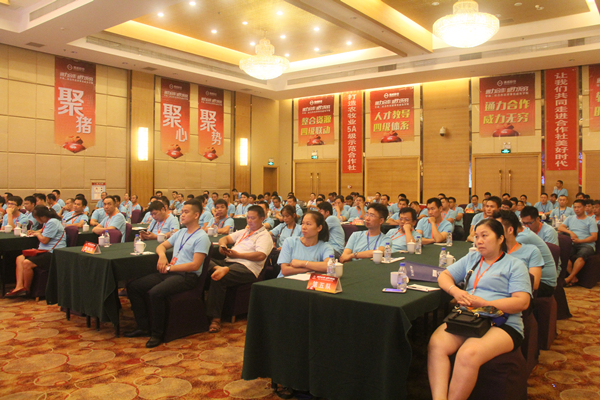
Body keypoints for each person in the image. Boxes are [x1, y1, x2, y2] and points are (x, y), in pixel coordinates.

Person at [428, 219, 531, 400]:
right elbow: (444, 275)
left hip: (503, 322)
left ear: (500, 238)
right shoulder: (473, 258)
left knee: (468, 353)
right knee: (436, 345)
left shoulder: (515, 265)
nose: (479, 241)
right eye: (476, 236)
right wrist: (456, 291)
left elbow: (522, 302)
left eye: (484, 236)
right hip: (470, 317)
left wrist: (485, 303)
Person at [125, 198, 209, 348]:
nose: (182, 215)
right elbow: (161, 246)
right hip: (171, 272)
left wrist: (170, 268)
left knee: (155, 293)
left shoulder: (202, 237)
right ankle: (143, 326)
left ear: (196, 215)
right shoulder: (181, 232)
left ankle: (157, 333)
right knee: (134, 286)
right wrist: (162, 256)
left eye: (186, 212)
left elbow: (195, 265)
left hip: (187, 276)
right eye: (182, 212)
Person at [208, 205, 274, 333]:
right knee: (204, 262)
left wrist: (238, 255)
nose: (249, 221)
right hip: (229, 262)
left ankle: (215, 319)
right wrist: (222, 246)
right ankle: (219, 268)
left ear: (262, 218)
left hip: (247, 267)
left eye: (253, 218)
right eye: (248, 218)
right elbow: (225, 238)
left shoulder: (264, 236)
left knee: (219, 277)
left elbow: (260, 255)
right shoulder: (245, 231)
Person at [5, 206, 67, 298]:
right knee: (19, 258)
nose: (36, 220)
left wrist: (38, 234)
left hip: (53, 253)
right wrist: (34, 232)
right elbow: (41, 231)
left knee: (26, 263)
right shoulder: (48, 222)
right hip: (43, 251)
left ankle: (26, 290)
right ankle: (19, 286)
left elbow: (44, 240)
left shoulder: (53, 222)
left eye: (36, 218)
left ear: (42, 217)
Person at [495, 211, 544, 291]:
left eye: (497, 228)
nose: (493, 231)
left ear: (510, 230)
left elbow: (534, 284)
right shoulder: (492, 252)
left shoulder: (532, 251)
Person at [277, 211, 334, 277]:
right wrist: (314, 269)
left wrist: (302, 263)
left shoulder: (325, 247)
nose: (303, 227)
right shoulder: (290, 242)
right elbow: (285, 270)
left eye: (308, 224)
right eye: (303, 223)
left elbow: (330, 266)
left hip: (310, 282)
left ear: (319, 228)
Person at [558, 199, 598, 286]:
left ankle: (569, 278)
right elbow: (560, 227)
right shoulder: (570, 218)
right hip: (573, 243)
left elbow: (594, 237)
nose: (576, 209)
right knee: (564, 255)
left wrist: (580, 241)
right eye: (575, 207)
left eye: (579, 207)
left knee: (581, 256)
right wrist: (570, 232)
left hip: (587, 244)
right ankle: (574, 278)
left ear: (584, 208)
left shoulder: (590, 221)